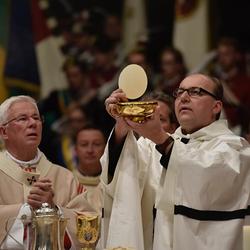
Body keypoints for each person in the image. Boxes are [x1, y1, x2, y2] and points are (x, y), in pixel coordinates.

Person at [102, 74, 250, 250]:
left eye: (196, 92)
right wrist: (122, 123)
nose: (184, 97)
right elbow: (122, 171)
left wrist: (160, 138)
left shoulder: (235, 148)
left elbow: (205, 175)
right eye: (179, 92)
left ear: (216, 106)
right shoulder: (155, 145)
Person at [0, 95, 99, 249]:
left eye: (36, 118)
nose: (32, 123)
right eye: (22, 119)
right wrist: (26, 210)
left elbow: (90, 231)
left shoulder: (65, 177)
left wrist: (54, 210)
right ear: (3, 131)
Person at [102, 91, 178, 250]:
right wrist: (121, 125)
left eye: (160, 119)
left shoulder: (184, 151)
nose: (151, 123)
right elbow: (112, 177)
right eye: (144, 116)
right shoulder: (137, 150)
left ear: (173, 126)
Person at [73, 123, 106, 192]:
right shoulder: (66, 180)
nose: (90, 150)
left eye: (96, 144)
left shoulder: (114, 182)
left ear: (105, 149)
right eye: (84, 144)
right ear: (75, 149)